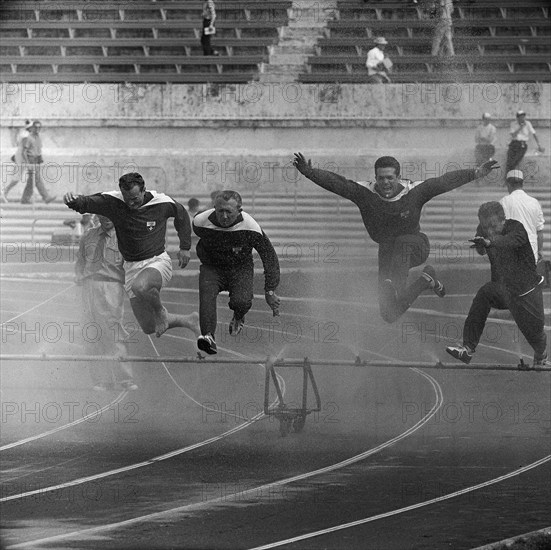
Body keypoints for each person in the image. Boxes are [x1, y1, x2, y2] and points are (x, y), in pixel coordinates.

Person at [293, 152, 498, 323]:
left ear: (398, 178)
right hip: (388, 253)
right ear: (375, 178)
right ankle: (426, 280)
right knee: (388, 313)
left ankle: (396, 284)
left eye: (390, 178)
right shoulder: (364, 192)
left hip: (416, 246)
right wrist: (310, 172)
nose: (386, 183)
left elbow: (443, 182)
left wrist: (476, 173)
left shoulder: (414, 191)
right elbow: (337, 183)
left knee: (402, 244)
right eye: (381, 178)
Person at [64, 172, 200, 338]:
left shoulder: (161, 201)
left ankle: (161, 311)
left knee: (140, 286)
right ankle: (189, 320)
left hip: (156, 261)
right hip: (131, 267)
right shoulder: (114, 200)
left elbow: (181, 215)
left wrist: (185, 247)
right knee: (149, 326)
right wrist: (72, 201)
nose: (131, 202)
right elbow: (86, 203)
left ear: (144, 191)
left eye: (135, 198)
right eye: (127, 198)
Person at [446, 202, 548, 368]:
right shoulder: (484, 229)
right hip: (504, 292)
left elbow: (507, 241)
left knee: (536, 337)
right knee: (485, 292)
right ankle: (468, 348)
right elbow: (481, 246)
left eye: (493, 226)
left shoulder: (516, 228)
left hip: (527, 293)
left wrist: (489, 243)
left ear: (503, 221)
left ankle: (541, 353)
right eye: (486, 227)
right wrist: (480, 245)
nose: (489, 231)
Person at [192, 190, 281, 355]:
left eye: (229, 212)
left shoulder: (251, 227)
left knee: (242, 301)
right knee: (206, 295)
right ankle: (208, 337)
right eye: (220, 211)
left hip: (240, 268)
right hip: (212, 267)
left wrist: (270, 289)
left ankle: (239, 316)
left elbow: (269, 257)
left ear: (239, 211)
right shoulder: (200, 222)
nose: (224, 217)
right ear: (214, 208)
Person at [75, 215, 137, 391]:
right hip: (89, 285)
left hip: (112, 286)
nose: (107, 218)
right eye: (102, 214)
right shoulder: (88, 235)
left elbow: (131, 264)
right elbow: (80, 260)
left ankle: (125, 378)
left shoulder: (124, 236)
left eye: (110, 214)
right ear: (98, 215)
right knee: (92, 331)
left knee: (114, 329)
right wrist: (78, 274)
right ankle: (101, 380)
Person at [500, 170, 544, 265]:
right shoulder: (534, 203)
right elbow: (539, 231)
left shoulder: (504, 202)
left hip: (511, 252)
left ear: (508, 184)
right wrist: (540, 251)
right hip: (531, 252)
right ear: (522, 184)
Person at [20, 121, 57, 204]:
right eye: (35, 127)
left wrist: (40, 158)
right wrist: (28, 164)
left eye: (39, 127)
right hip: (31, 160)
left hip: (37, 160)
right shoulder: (29, 138)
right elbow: (24, 152)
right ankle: (46, 197)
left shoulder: (38, 138)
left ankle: (25, 199)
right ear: (32, 128)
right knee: (37, 180)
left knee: (31, 181)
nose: (37, 129)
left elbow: (38, 150)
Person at [2, 119, 32, 203]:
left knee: (18, 177)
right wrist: (27, 161)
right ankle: (5, 191)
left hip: (19, 156)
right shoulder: (26, 136)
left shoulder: (23, 134)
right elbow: (24, 151)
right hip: (22, 157)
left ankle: (6, 191)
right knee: (17, 177)